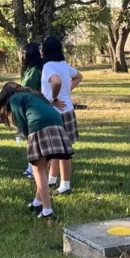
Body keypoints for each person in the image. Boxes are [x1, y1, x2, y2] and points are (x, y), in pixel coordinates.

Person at [0, 82, 73, 220]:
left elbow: (22, 122)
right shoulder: (35, 94)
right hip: (57, 123)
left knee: (37, 170)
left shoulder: (14, 99)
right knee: (43, 167)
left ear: (5, 97)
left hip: (38, 126)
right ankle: (37, 203)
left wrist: (27, 138)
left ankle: (47, 211)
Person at [41, 37, 83, 196]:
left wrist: (54, 98)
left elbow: (56, 82)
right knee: (58, 149)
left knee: (63, 150)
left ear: (46, 51)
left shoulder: (48, 66)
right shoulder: (63, 65)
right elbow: (79, 76)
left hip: (55, 113)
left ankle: (65, 185)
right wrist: (67, 91)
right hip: (68, 111)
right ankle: (52, 178)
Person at [20, 42, 44, 179]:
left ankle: (33, 169)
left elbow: (28, 90)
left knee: (34, 141)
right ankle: (30, 167)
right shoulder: (30, 69)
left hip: (34, 109)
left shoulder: (35, 71)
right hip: (30, 108)